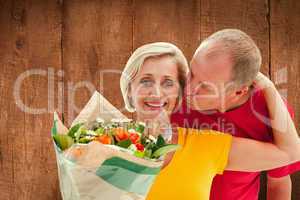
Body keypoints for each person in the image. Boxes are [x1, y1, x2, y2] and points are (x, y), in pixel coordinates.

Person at [120, 42, 300, 200]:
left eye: (168, 83)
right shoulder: (104, 142)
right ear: (129, 89)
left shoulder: (205, 143)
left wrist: (267, 85)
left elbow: (289, 156)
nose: (157, 93)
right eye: (145, 81)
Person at [170, 29, 300, 200]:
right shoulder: (172, 94)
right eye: (192, 72)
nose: (188, 88)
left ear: (238, 92)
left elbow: (278, 183)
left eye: (206, 87)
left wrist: (268, 87)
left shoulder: (271, 112)